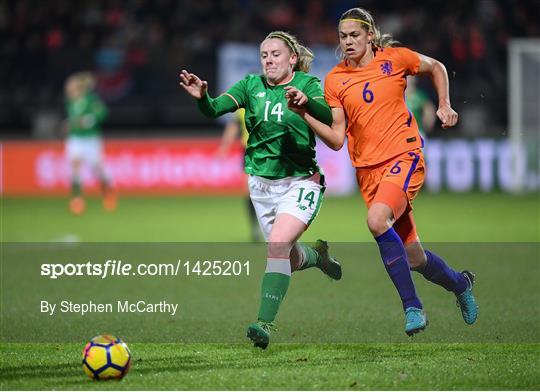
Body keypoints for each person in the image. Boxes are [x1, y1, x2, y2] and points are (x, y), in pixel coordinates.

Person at [286, 8, 478, 336]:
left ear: (370, 34)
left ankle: (413, 307)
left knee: (376, 221)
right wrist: (304, 112)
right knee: (414, 258)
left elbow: (437, 67)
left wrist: (444, 103)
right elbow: (335, 139)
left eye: (354, 35)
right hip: (368, 172)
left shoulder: (396, 59)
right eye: (343, 36)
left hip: (404, 156)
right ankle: (460, 284)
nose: (347, 41)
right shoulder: (335, 79)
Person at [179, 31, 342, 349]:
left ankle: (264, 323)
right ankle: (317, 256)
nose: (268, 59)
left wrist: (306, 104)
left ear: (292, 58)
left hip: (301, 182)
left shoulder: (307, 85)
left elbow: (330, 118)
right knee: (289, 257)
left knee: (277, 246)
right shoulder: (250, 85)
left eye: (275, 54)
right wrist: (202, 98)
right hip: (261, 186)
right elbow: (215, 109)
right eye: (264, 54)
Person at [64, 72, 116, 215]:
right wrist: (70, 125)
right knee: (75, 165)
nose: (68, 88)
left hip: (91, 139)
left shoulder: (91, 100)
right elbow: (74, 120)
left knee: (97, 170)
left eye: (70, 85)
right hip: (75, 139)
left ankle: (108, 192)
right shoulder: (70, 102)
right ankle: (77, 199)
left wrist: (85, 122)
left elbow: (102, 114)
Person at [216, 108, 263, 242]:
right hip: (248, 152)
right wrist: (224, 146)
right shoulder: (242, 107)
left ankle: (275, 226)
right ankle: (255, 227)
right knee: (247, 192)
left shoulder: (268, 100)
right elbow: (234, 125)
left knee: (272, 188)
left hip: (268, 150)